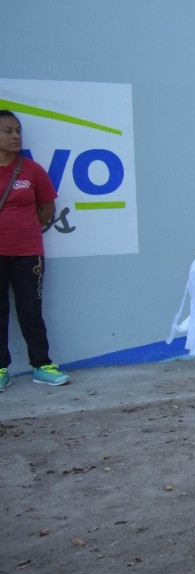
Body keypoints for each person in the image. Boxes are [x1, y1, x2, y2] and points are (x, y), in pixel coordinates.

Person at [0, 110, 70, 388]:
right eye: (8, 131)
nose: (15, 136)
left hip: (28, 253)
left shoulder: (31, 170)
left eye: (18, 131)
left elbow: (47, 209)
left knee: (31, 310)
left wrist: (24, 231)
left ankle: (42, 365)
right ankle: (1, 370)